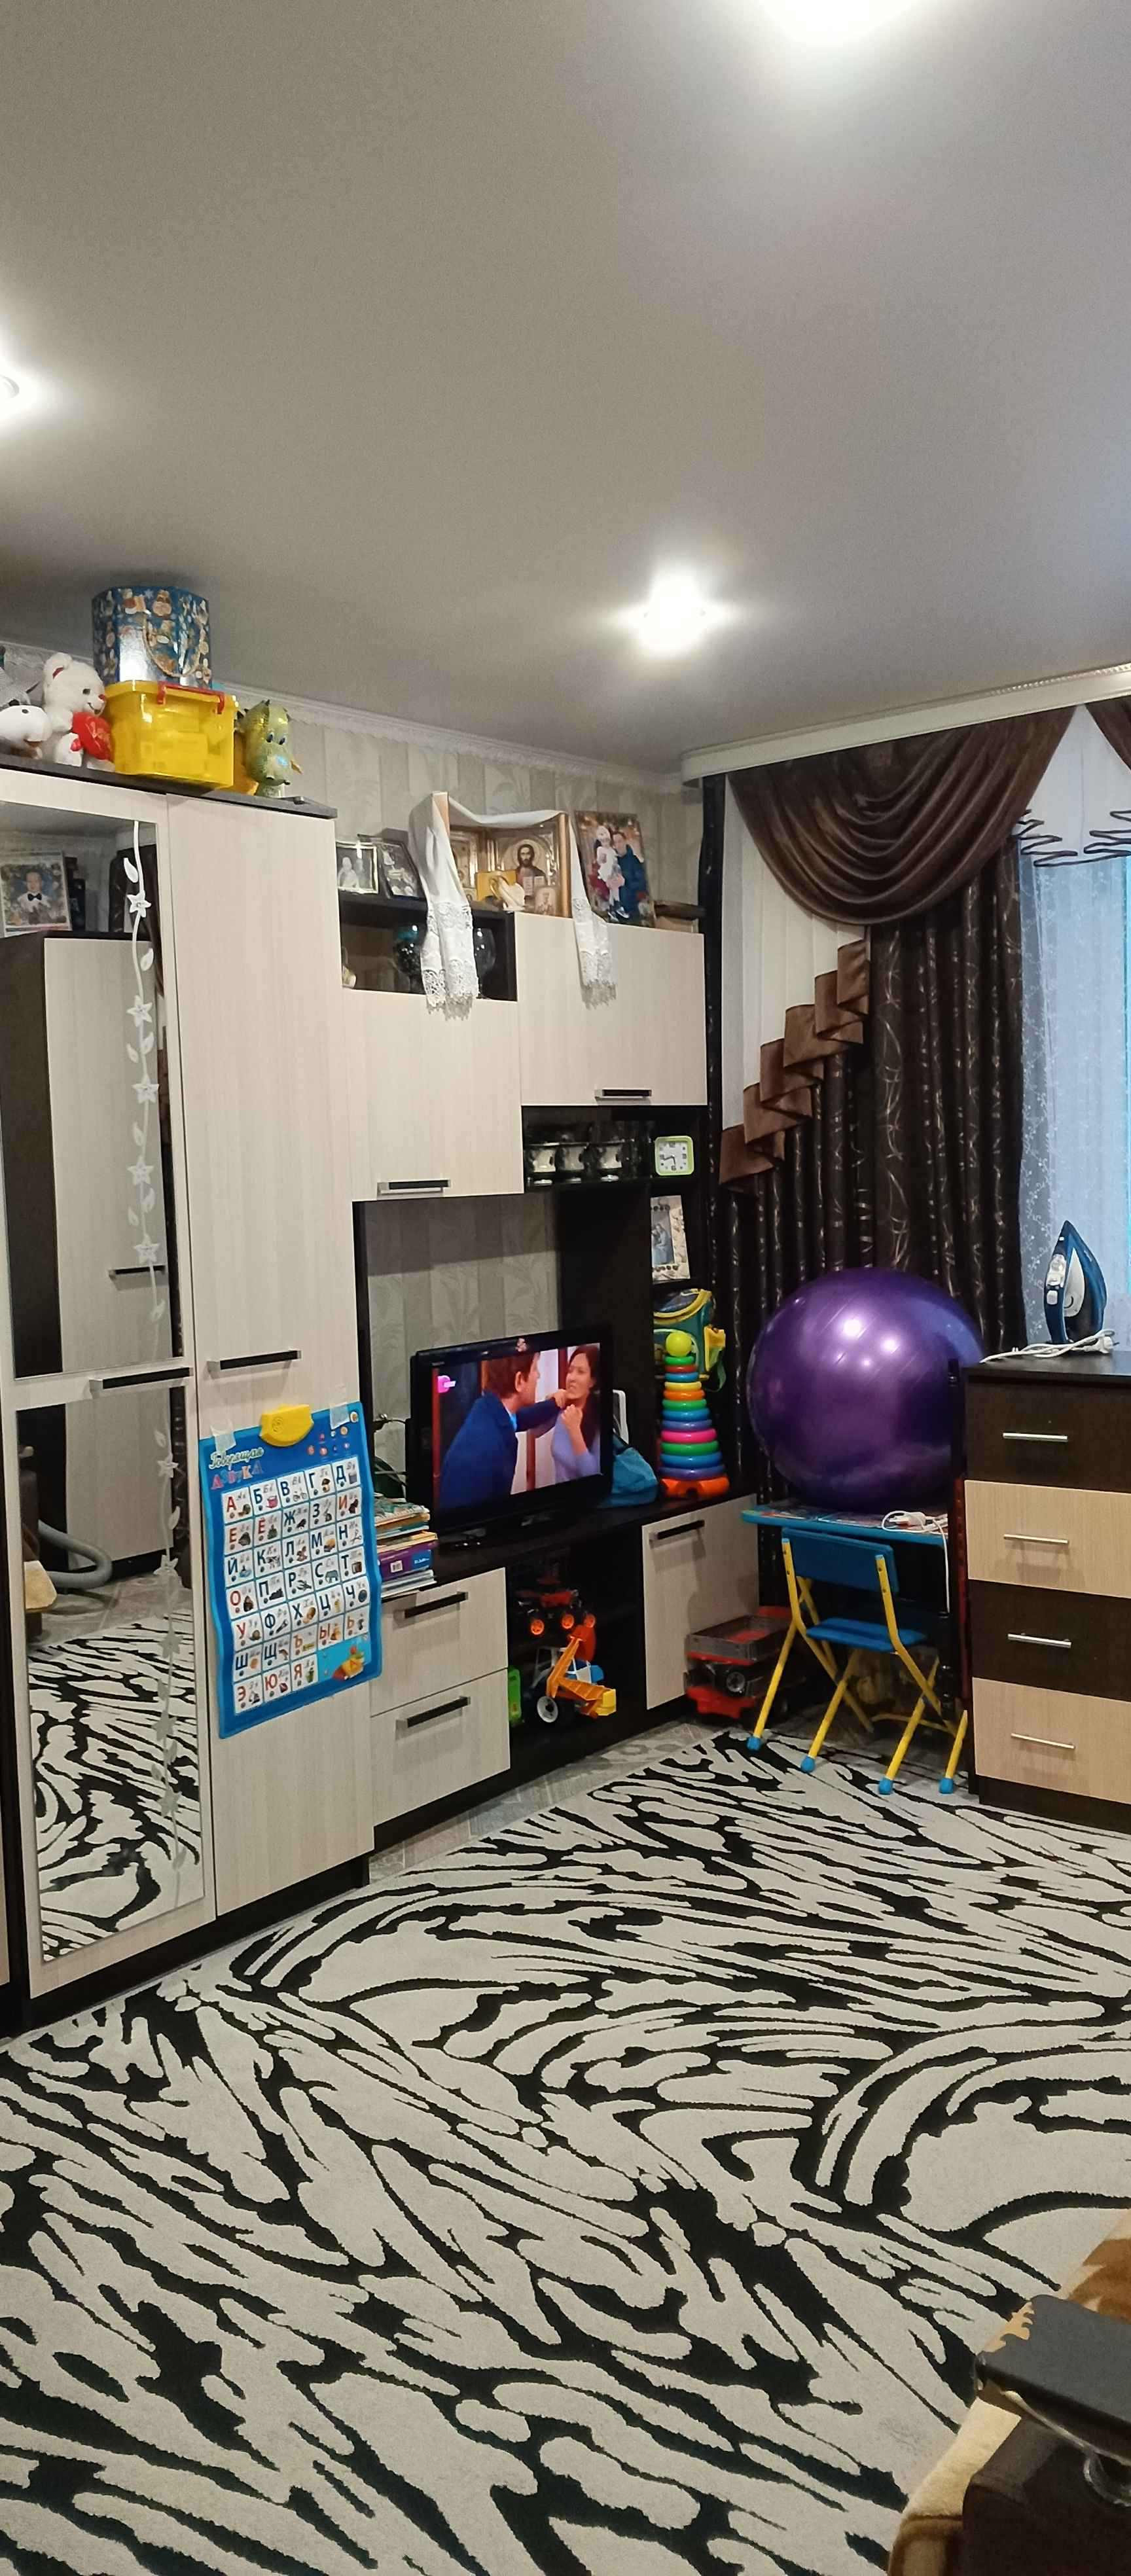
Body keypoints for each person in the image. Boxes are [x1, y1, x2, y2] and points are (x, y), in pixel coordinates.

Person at [437, 1349, 563, 1513]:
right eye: (535, 1369)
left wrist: (555, 1403)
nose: (538, 1376)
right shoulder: (479, 1453)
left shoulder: (489, 1409)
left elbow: (522, 1418)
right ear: (519, 1381)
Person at [550, 1344, 602, 1482]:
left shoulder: (598, 1418)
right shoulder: (562, 1408)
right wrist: (550, 1402)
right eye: (570, 1371)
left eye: (580, 1372)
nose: (572, 1378)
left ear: (592, 1381)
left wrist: (574, 1430)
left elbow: (594, 1475)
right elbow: (534, 1431)